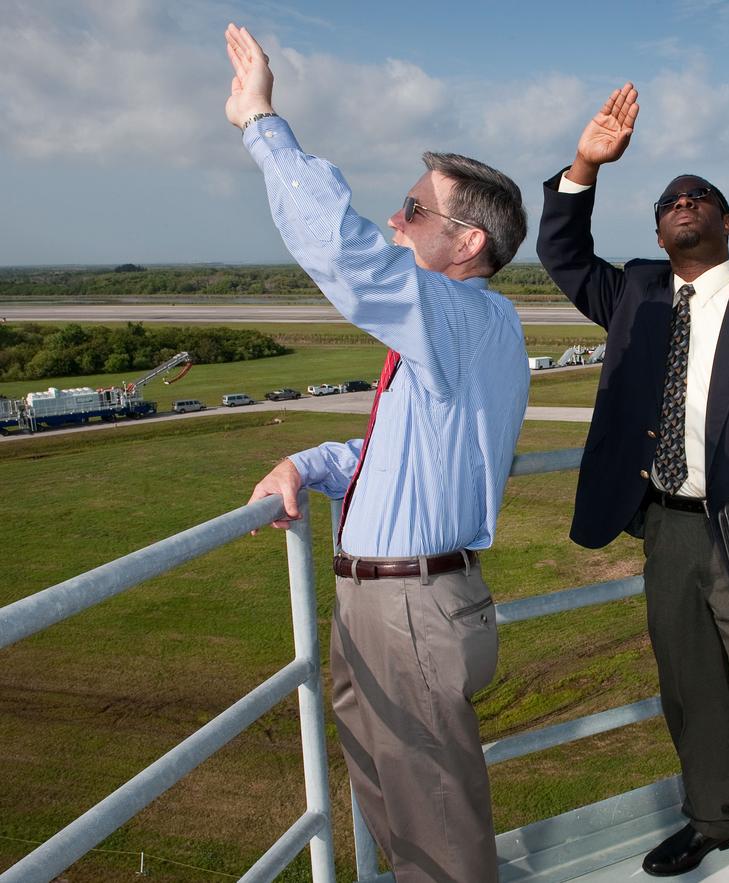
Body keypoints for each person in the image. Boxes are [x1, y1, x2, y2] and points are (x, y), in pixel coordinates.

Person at [223, 24, 529, 883]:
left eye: (416, 209)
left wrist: (261, 124)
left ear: (467, 244)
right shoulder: (467, 331)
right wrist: (309, 465)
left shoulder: (455, 314)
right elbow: (399, 456)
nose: (397, 219)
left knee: (437, 828)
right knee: (402, 814)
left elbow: (346, 254)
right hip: (392, 602)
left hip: (411, 610)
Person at [537, 84, 729, 883]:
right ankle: (711, 820)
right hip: (666, 528)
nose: (684, 203)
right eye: (671, 199)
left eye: (699, 196)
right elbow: (563, 254)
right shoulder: (634, 294)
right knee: (691, 690)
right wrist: (585, 164)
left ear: (725, 222)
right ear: (658, 228)